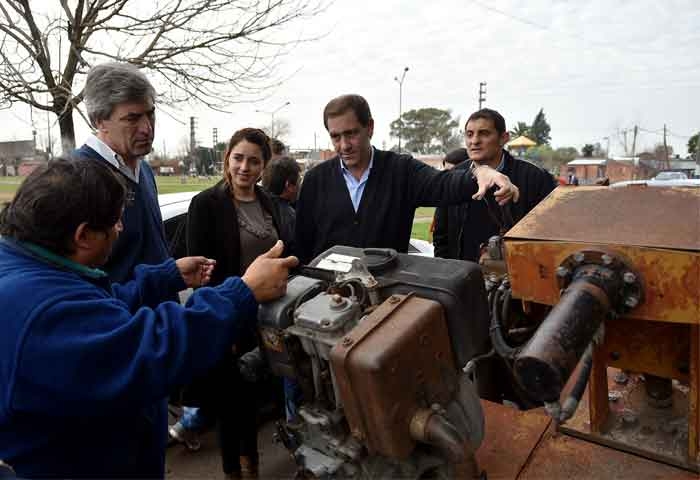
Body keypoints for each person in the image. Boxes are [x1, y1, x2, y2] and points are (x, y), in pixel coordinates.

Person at [0, 158, 298, 478]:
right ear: (83, 235)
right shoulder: (41, 313)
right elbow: (153, 350)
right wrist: (243, 291)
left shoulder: (25, 271)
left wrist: (164, 277)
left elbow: (97, 313)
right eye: (115, 222)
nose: (120, 229)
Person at [172, 128, 288, 479]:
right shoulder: (207, 204)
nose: (244, 167)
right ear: (227, 159)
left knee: (252, 404)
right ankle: (233, 472)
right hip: (227, 318)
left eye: (254, 161)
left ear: (264, 165)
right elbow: (202, 276)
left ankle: (252, 466)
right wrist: (225, 323)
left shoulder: (269, 202)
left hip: (266, 319)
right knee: (230, 406)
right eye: (238, 158)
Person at [294, 94, 519, 264]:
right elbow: (302, 246)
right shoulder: (315, 181)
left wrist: (479, 173)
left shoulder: (401, 170)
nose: (344, 145)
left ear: (369, 127)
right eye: (336, 136)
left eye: (351, 134)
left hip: (387, 297)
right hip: (327, 300)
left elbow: (443, 185)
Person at [73, 62, 168, 283]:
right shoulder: (77, 178)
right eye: (132, 118)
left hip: (162, 315)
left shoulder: (143, 169)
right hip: (116, 316)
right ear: (99, 120)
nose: (147, 128)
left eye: (150, 114)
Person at [433, 109, 556, 261]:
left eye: (484, 133)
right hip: (462, 276)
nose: (475, 141)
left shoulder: (535, 178)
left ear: (504, 138)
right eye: (469, 134)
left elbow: (550, 232)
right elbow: (441, 234)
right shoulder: (453, 177)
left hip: (515, 275)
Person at [262, 155, 301, 243]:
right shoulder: (290, 218)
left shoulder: (257, 205)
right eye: (299, 181)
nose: (300, 186)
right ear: (289, 185)